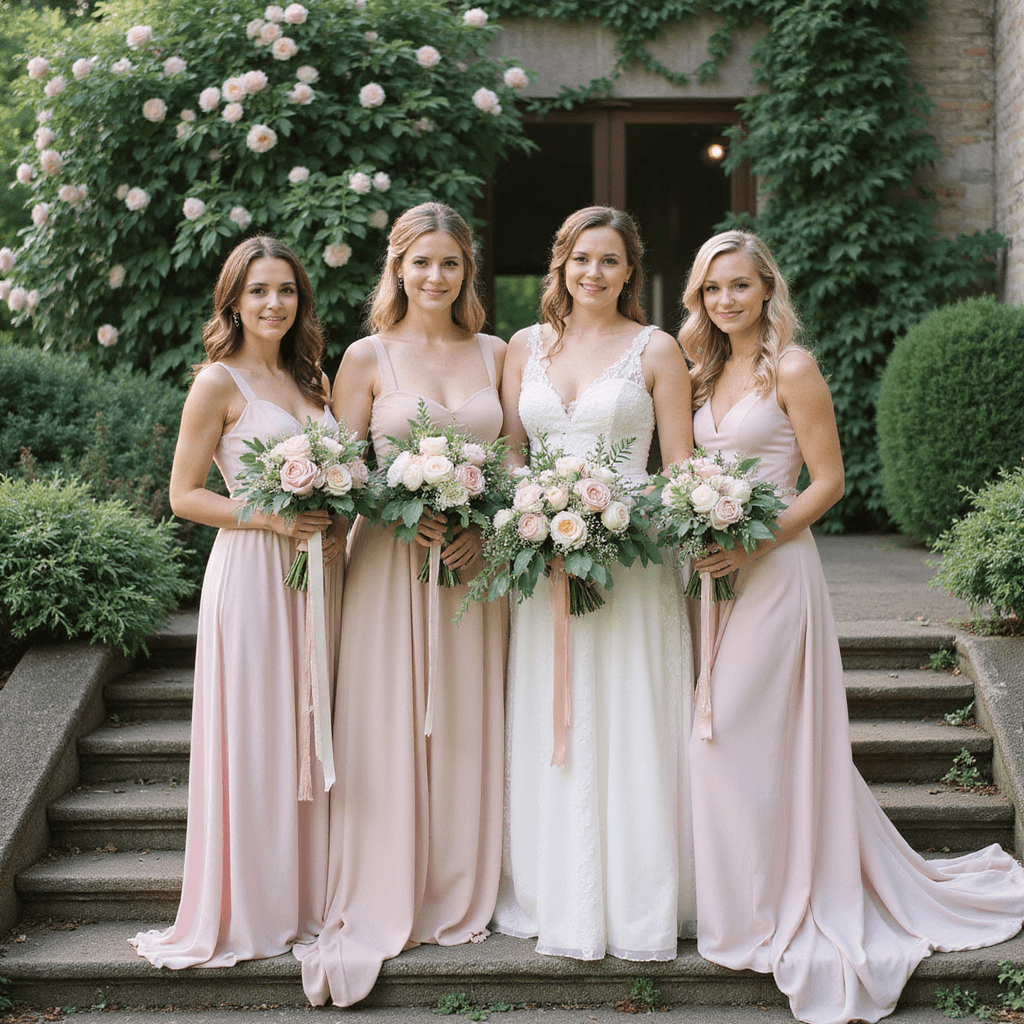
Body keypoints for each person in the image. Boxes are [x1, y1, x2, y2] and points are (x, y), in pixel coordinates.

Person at [682, 229, 1024, 1024]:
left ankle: (779, 900)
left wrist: (752, 541)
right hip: (707, 578)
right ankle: (748, 889)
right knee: (721, 738)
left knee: (730, 731)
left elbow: (829, 481)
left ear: (767, 288)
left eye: (739, 285)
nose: (725, 300)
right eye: (711, 289)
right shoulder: (702, 373)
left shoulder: (791, 369)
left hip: (774, 573)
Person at [295, 202, 508, 1006]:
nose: (435, 276)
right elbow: (345, 474)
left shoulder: (496, 352)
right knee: (385, 722)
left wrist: (486, 531)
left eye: (449, 263)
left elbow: (516, 459)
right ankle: (383, 881)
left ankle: (457, 879)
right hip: (390, 566)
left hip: (470, 570)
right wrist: (392, 508)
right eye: (421, 262)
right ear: (397, 267)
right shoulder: (365, 355)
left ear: (467, 272)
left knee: (463, 723)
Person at [492, 206, 697, 961]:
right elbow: (512, 455)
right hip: (542, 562)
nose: (593, 273)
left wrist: (615, 516)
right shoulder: (523, 347)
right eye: (582, 259)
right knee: (557, 720)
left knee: (629, 714)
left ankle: (640, 894)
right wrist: (536, 510)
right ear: (561, 265)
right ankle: (556, 890)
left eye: (609, 261)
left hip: (633, 563)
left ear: (629, 272)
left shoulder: (657, 349)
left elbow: (676, 471)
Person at [130, 236, 342, 968]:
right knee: (257, 737)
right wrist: (270, 517)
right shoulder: (218, 382)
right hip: (253, 571)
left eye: (286, 289)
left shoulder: (314, 379)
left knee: (306, 733)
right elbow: (183, 495)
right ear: (234, 300)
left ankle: (307, 897)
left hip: (317, 575)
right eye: (258, 291)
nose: (273, 303)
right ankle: (251, 908)